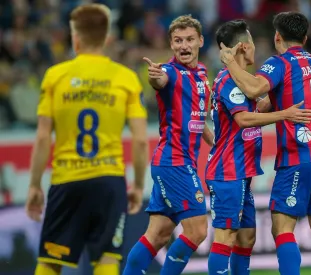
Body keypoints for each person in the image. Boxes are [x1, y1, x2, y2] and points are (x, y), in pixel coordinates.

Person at [25, 4, 148, 275]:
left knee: (50, 261)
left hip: (66, 180)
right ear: (106, 38)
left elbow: (43, 136)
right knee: (106, 260)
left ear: (75, 37)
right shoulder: (125, 78)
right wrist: (138, 185)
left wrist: (34, 185)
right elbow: (140, 141)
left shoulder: (56, 76)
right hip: (109, 180)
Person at [219, 11, 311, 275]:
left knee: (282, 228)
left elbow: (254, 89)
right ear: (305, 38)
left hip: (300, 155)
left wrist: (230, 63)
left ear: (277, 37)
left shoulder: (281, 63)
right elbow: (272, 101)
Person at [207, 20, 311, 275]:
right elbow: (243, 119)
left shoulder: (244, 82)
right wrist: (285, 114)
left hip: (242, 173)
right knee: (225, 237)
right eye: (253, 43)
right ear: (245, 46)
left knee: (246, 239)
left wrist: (283, 93)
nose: (256, 49)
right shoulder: (228, 80)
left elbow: (257, 108)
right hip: (227, 171)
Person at [123, 15, 214, 275]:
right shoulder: (168, 72)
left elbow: (197, 118)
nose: (184, 46)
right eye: (177, 41)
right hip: (174, 162)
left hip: (176, 163)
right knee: (197, 231)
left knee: (158, 235)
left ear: (200, 41)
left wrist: (215, 143)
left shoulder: (202, 74)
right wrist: (154, 77)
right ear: (171, 44)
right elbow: (159, 80)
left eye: (189, 40)